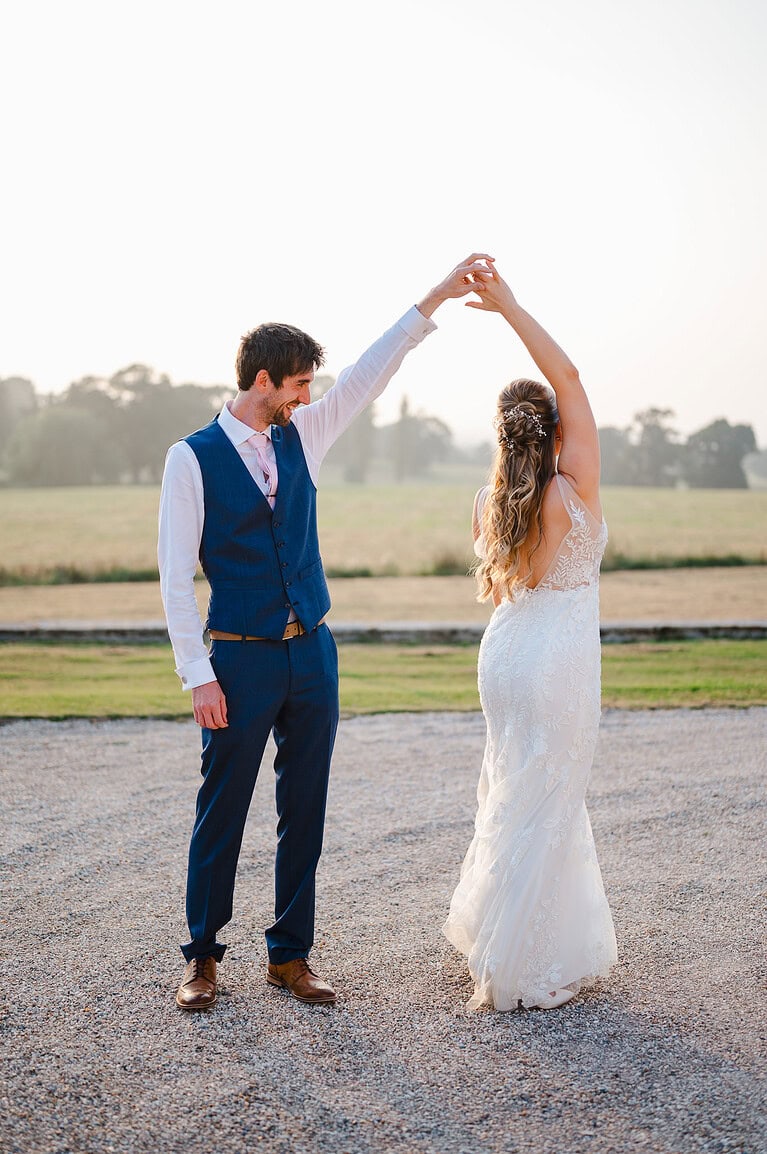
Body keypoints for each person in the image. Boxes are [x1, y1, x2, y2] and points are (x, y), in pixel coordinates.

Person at [159, 255, 493, 1011]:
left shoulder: (302, 436)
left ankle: (290, 956)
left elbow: (373, 370)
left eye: (311, 386)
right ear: (265, 381)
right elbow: (174, 576)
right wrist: (196, 674)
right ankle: (203, 960)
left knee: (303, 807)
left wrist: (436, 295)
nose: (310, 396)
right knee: (222, 809)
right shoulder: (192, 459)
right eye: (300, 384)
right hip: (236, 663)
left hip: (313, 651)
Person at [442, 260, 617, 1011]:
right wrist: (509, 305)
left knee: (511, 791)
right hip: (556, 658)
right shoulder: (571, 485)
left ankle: (501, 940)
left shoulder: (488, 500)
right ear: (554, 430)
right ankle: (522, 960)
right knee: (548, 797)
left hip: (505, 654)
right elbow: (571, 374)